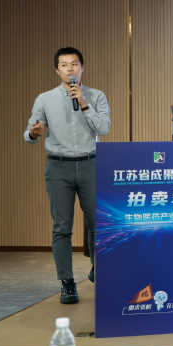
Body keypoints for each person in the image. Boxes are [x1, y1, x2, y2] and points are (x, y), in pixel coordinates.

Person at [24, 47, 111, 304]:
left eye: (74, 64)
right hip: (58, 167)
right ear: (57, 70)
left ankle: (98, 268)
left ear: (82, 68)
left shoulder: (96, 96)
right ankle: (67, 282)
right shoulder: (45, 99)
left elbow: (104, 129)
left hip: (91, 164)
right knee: (62, 226)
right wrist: (33, 133)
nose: (70, 69)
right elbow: (29, 133)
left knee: (98, 222)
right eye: (64, 65)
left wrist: (83, 103)